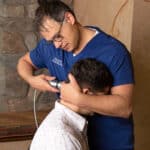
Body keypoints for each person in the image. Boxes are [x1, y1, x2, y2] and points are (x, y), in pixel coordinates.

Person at [17, 1, 134, 150]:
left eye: (58, 36)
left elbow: (124, 107)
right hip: (73, 139)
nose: (57, 45)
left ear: (69, 19)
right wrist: (31, 80)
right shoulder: (51, 47)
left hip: (111, 143)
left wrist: (78, 99)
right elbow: (24, 61)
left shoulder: (114, 52)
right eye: (51, 40)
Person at [30, 58, 113, 150]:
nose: (103, 104)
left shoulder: (68, 127)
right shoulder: (63, 137)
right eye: (103, 97)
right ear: (86, 93)